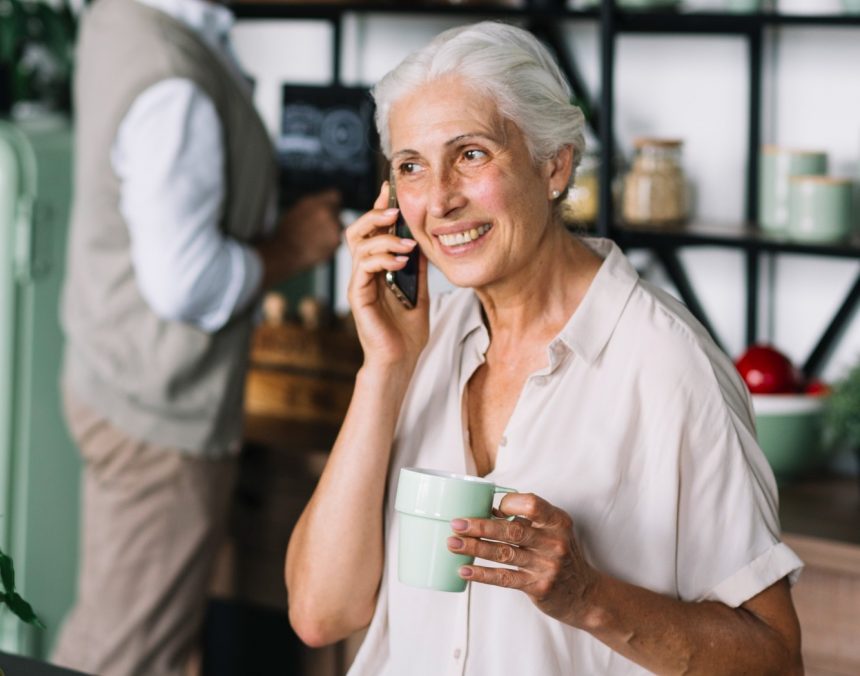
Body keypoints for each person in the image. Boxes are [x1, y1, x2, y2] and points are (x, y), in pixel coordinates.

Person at [285, 20, 805, 676]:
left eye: (471, 154)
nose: (439, 199)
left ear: (554, 164)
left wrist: (587, 596)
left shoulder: (668, 366)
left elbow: (777, 660)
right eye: (411, 166)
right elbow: (318, 612)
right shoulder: (420, 340)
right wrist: (383, 369)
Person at [51, 0, 341, 673]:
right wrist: (291, 247)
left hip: (115, 372)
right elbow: (187, 281)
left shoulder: (118, 18)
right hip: (159, 410)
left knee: (135, 631)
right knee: (126, 652)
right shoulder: (170, 78)